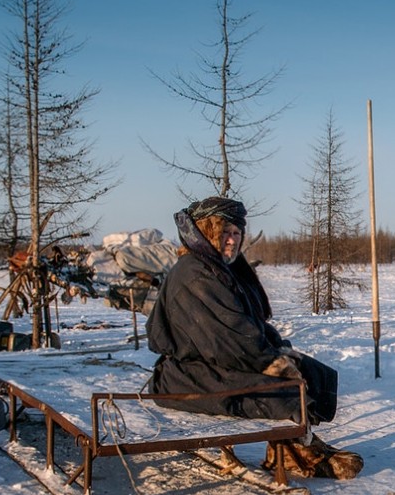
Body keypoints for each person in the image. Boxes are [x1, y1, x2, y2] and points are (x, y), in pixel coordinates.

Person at [145, 196, 361, 479]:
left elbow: (249, 325)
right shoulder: (195, 274)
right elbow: (231, 339)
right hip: (185, 378)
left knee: (311, 373)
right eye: (225, 233)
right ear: (206, 232)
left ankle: (296, 446)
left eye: (236, 233)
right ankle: (298, 453)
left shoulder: (215, 268)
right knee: (283, 390)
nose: (233, 240)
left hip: (209, 365)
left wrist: (279, 349)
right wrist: (272, 361)